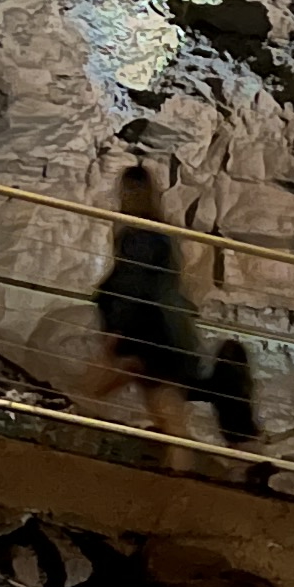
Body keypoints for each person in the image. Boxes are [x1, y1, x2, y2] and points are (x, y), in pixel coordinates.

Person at [92, 166, 206, 459]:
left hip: (146, 331)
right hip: (162, 330)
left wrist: (115, 326)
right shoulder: (160, 233)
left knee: (164, 413)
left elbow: (133, 284)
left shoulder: (137, 236)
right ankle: (178, 469)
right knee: (166, 412)